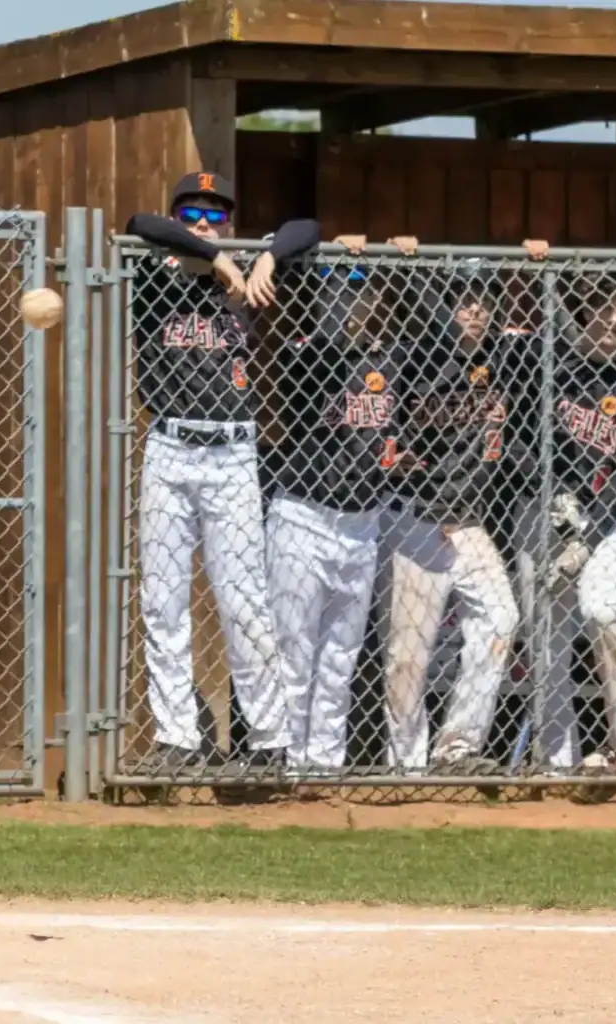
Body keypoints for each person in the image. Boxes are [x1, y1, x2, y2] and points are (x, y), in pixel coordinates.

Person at [124, 170, 320, 776]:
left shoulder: (247, 272)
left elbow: (308, 229)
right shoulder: (152, 269)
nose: (204, 223)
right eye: (194, 213)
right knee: (162, 602)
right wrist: (210, 255)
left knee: (243, 602)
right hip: (169, 447)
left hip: (233, 452)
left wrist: (263, 259)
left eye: (216, 215)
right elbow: (140, 224)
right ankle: (178, 738)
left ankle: (268, 739)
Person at [370, 236, 529, 774]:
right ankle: (406, 766)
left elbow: (569, 339)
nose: (475, 306)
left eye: (484, 295)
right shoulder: (416, 354)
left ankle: (457, 748)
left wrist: (535, 262)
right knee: (408, 655)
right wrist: (409, 263)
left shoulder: (504, 356)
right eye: (462, 294)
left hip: (470, 524)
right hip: (414, 517)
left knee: (502, 618)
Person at [264, 261, 405, 774]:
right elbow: (316, 363)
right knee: (294, 650)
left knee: (340, 655)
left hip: (363, 523)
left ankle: (323, 762)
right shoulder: (304, 351)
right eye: (335, 291)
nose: (348, 301)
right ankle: (287, 762)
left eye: (359, 291)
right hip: (305, 516)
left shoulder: (392, 359)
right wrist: (333, 314)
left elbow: (441, 338)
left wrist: (406, 262)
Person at [506, 271, 616, 795]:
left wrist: (586, 535)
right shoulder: (552, 365)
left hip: (609, 522)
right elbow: (518, 437)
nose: (612, 321)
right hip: (546, 509)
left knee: (601, 608)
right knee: (545, 639)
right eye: (602, 310)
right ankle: (557, 763)